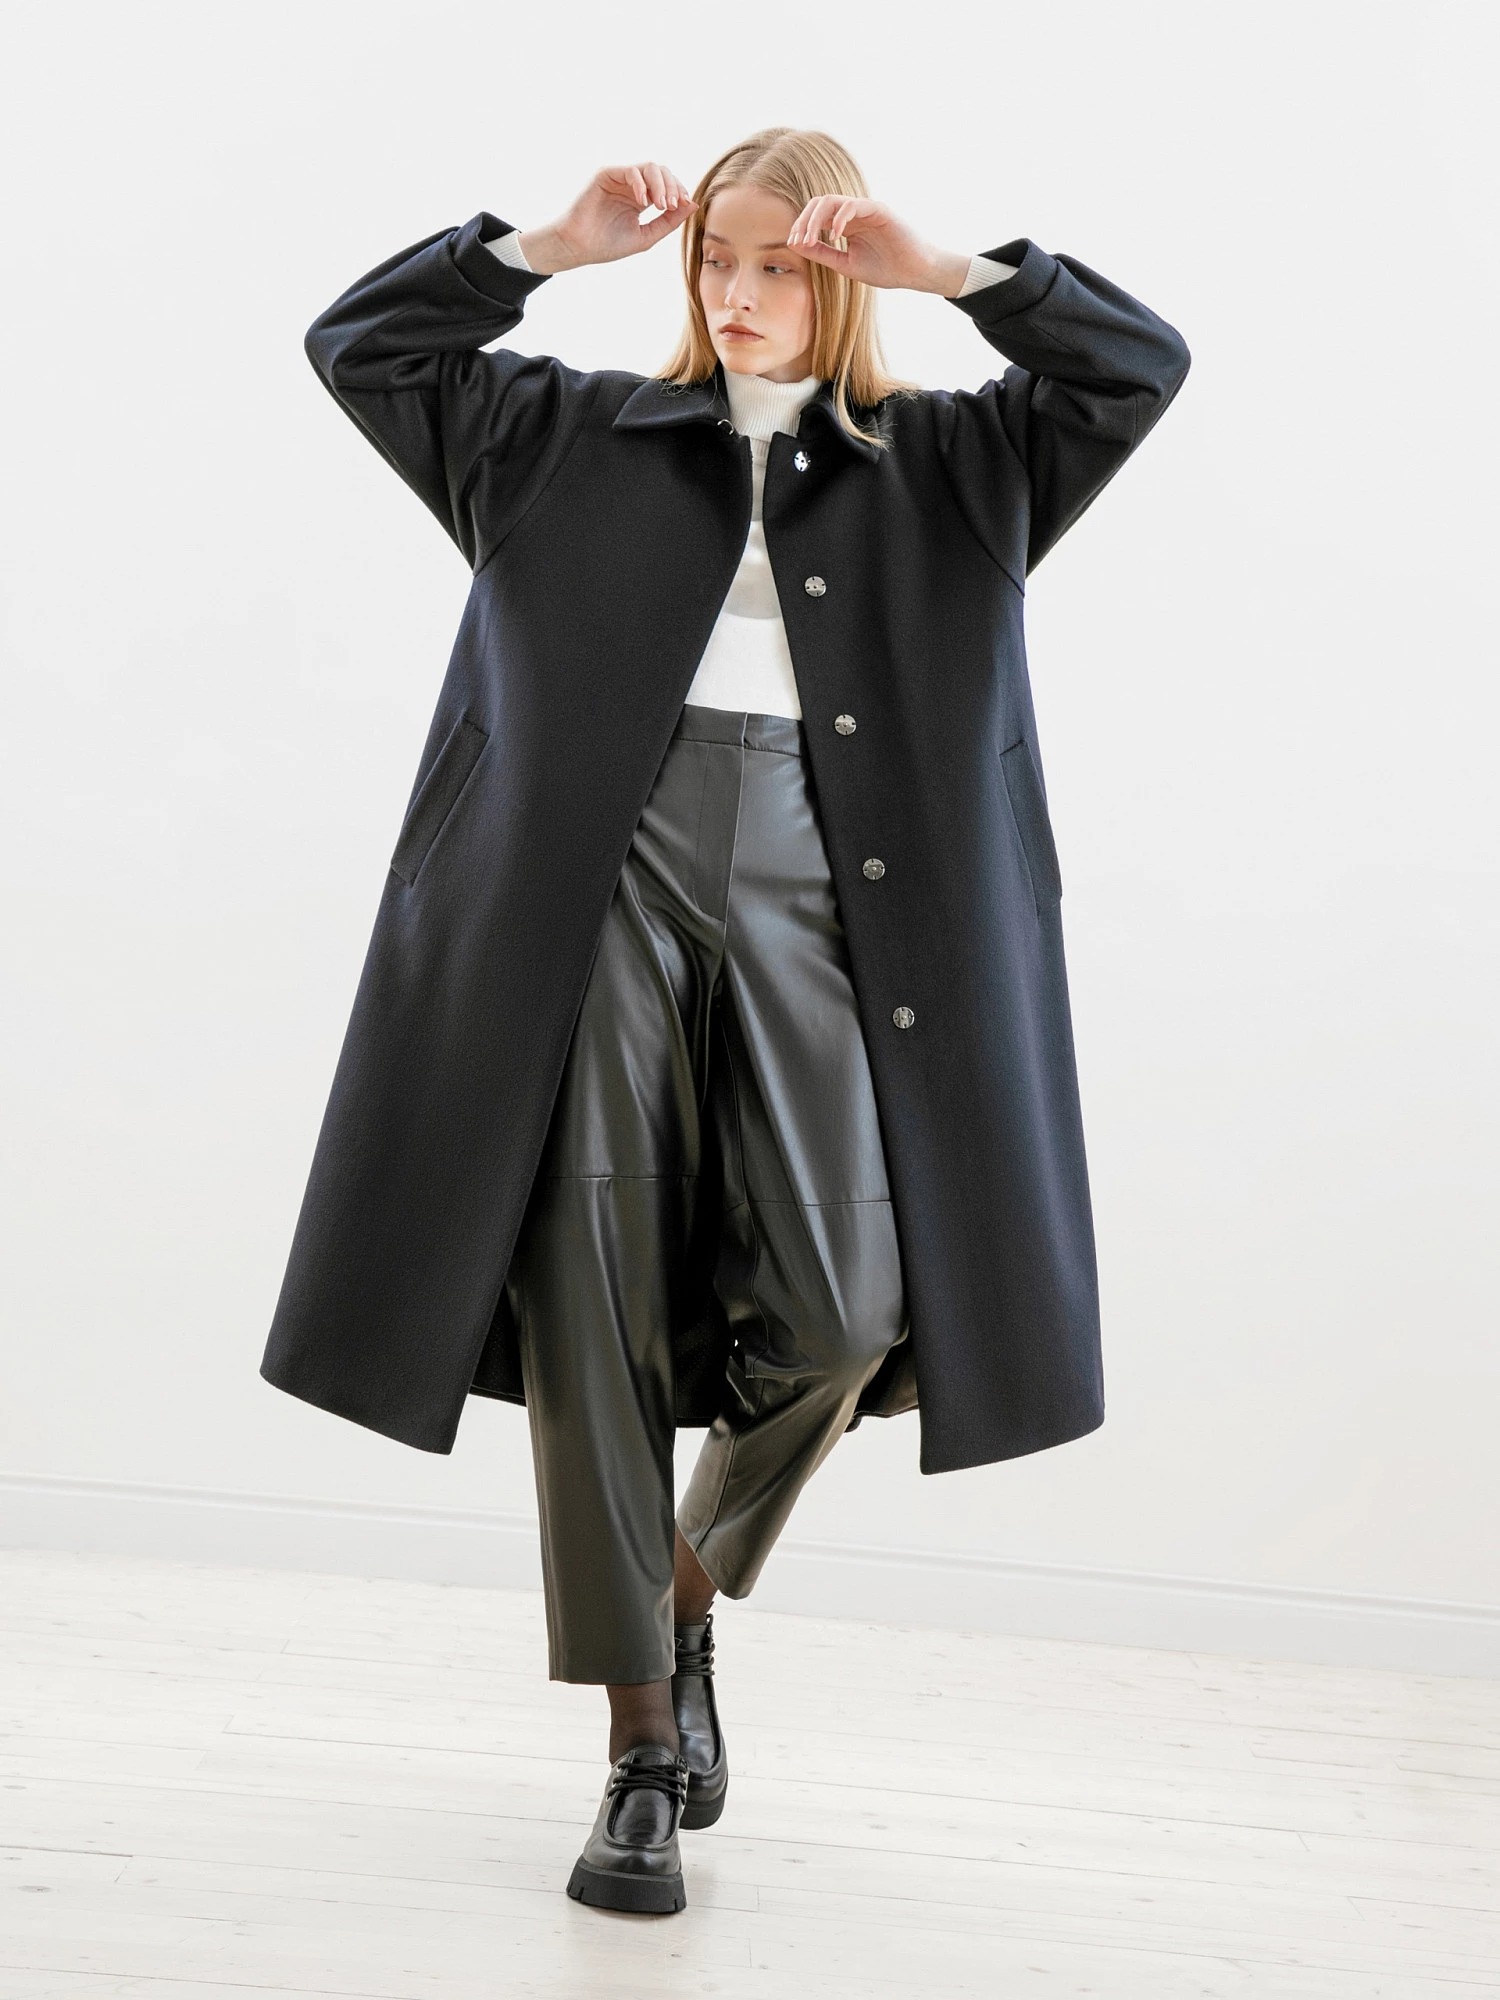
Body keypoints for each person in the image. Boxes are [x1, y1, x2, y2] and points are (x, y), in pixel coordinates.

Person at [270, 123, 1191, 1919]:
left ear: (839, 277)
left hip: (843, 911)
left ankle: (681, 1592)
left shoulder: (963, 464)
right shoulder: (557, 436)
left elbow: (1135, 366)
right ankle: (637, 1755)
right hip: (594, 897)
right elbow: (360, 345)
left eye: (782, 264)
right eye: (720, 260)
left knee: (846, 1311)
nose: (744, 293)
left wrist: (951, 275)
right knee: (592, 1295)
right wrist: (543, 248)